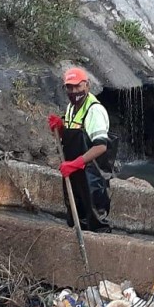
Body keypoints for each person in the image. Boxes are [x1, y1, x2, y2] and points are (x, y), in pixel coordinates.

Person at [48, 67, 112, 233]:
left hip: (92, 174)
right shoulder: (71, 107)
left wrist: (76, 164)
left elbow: (100, 146)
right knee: (76, 215)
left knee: (96, 219)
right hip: (74, 173)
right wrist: (61, 127)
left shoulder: (94, 110)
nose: (74, 91)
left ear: (87, 85)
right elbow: (74, 136)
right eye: (70, 87)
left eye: (78, 86)